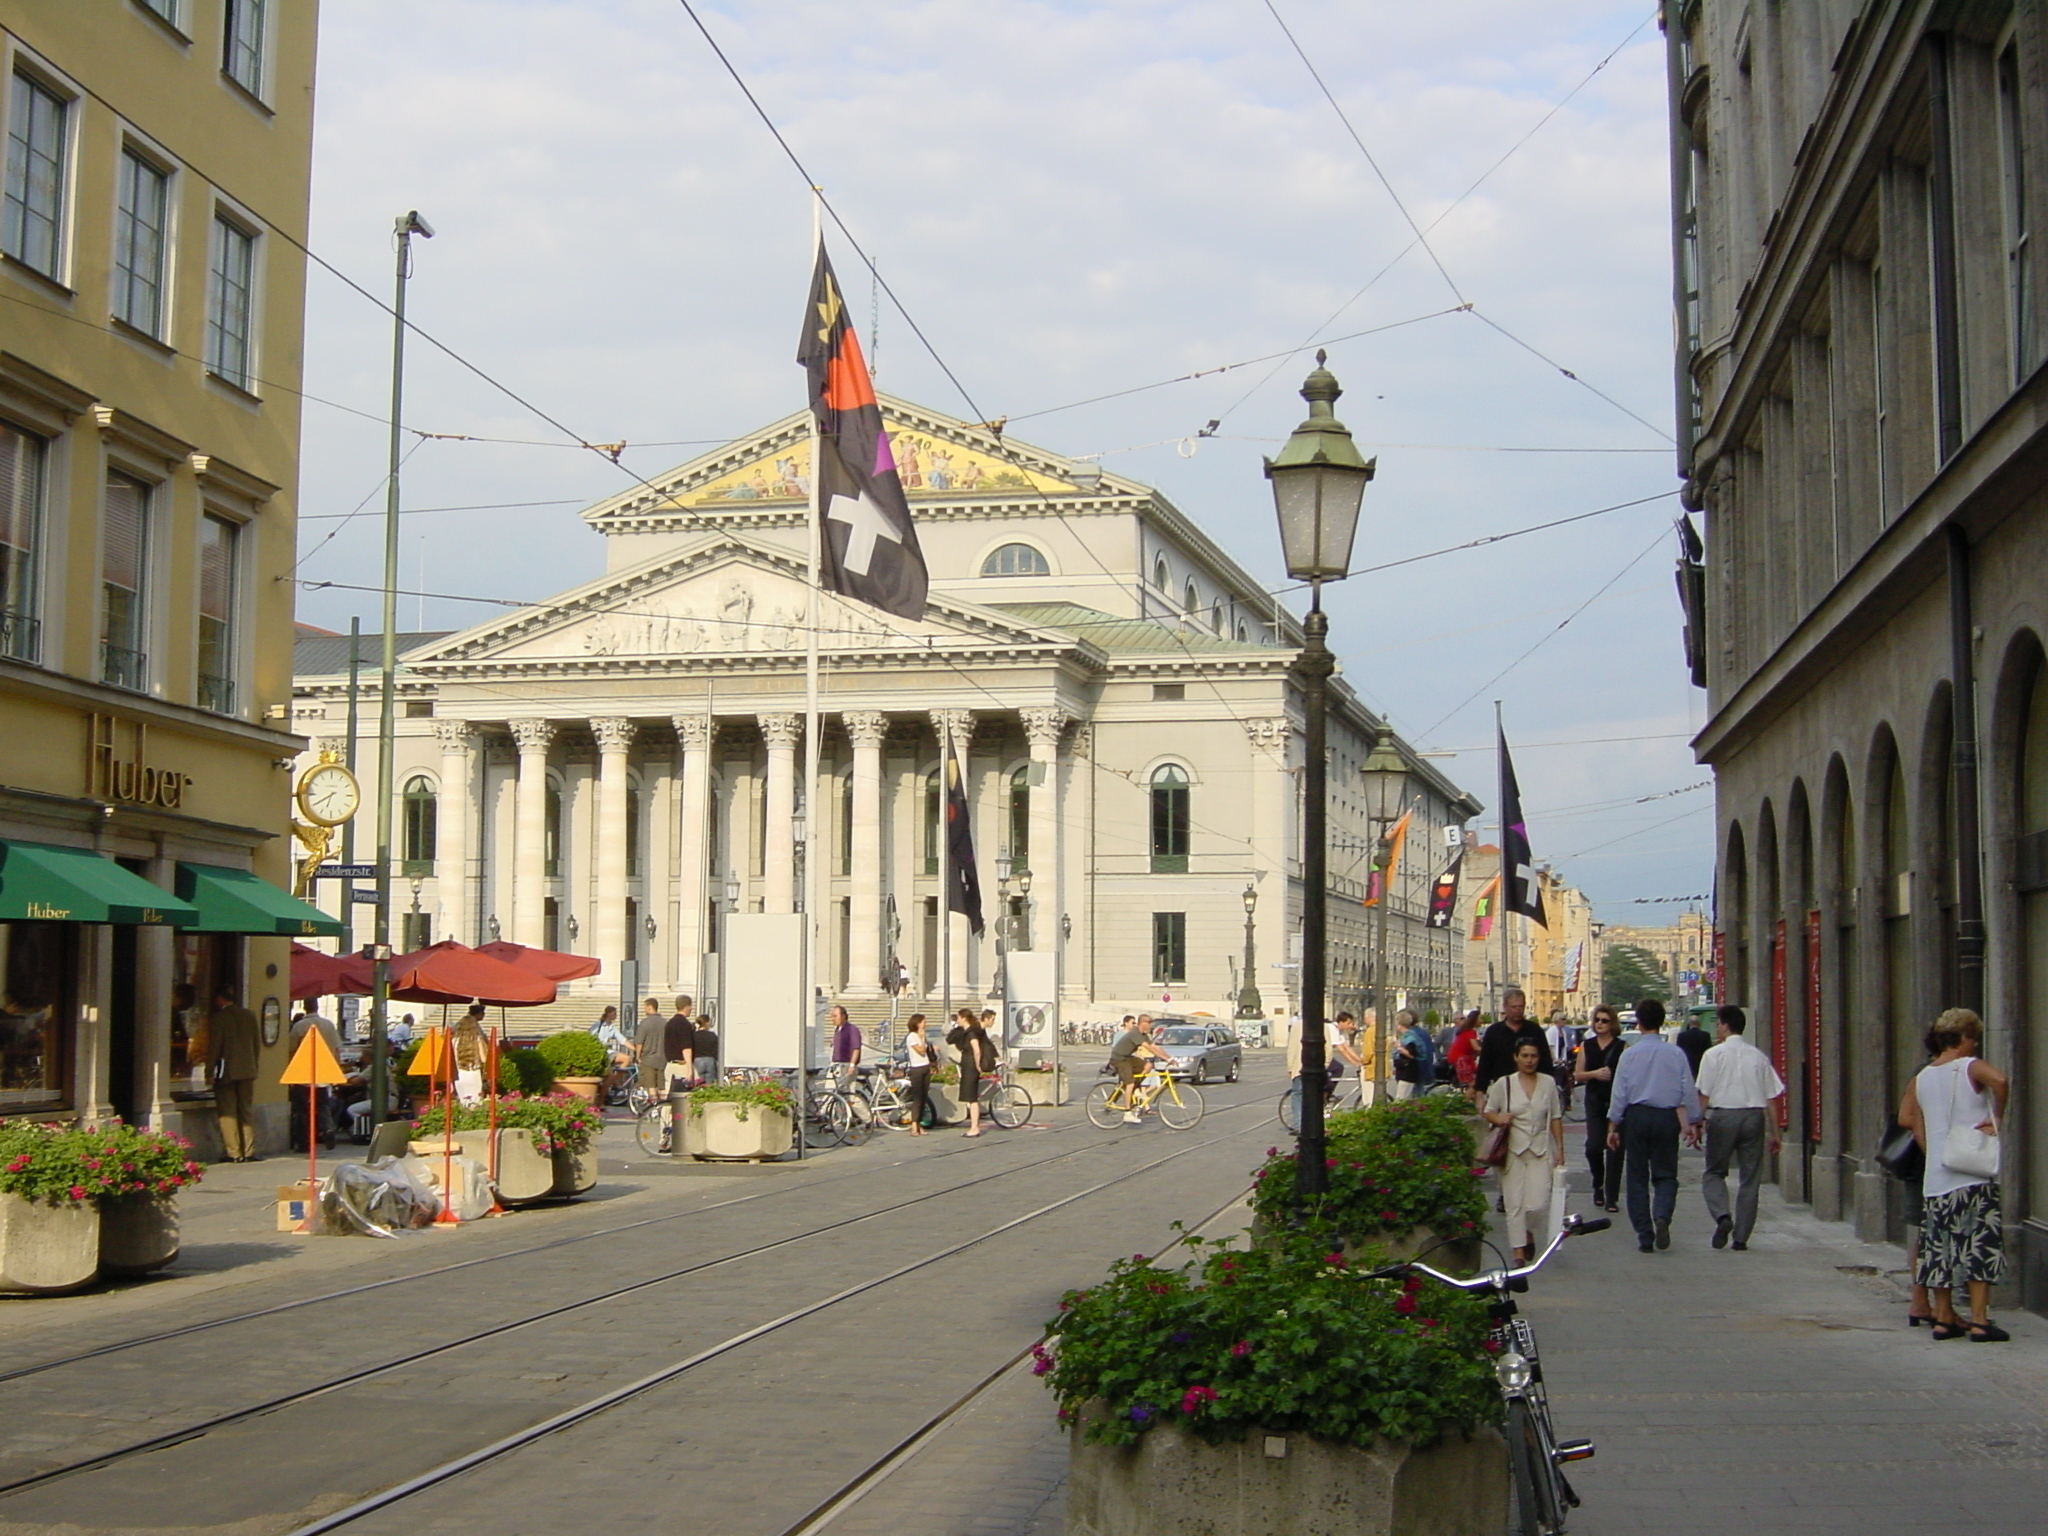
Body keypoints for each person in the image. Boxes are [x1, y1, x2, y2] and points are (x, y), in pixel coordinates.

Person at [1900, 1008, 2011, 1341]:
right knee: (1980, 1244)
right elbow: (2001, 1080)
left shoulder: (1922, 1077)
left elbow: (1912, 1121)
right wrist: (1997, 1117)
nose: (1974, 1045)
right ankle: (1979, 1320)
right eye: (1973, 1038)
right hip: (1970, 1174)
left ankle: (1943, 1318)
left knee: (1938, 1249)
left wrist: (1933, 1149)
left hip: (1936, 1177)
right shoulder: (1967, 1066)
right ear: (1964, 1038)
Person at [1605, 998, 1701, 1253]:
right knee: (1666, 1173)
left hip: (1636, 1117)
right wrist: (1693, 1121)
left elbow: (1619, 1093)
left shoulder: (1629, 1055)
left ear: (1639, 1022)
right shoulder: (1676, 1054)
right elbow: (1687, 1089)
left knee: (1636, 1176)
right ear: (1661, 1022)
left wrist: (1613, 1125)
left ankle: (1644, 1234)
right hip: (1666, 1118)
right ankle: (1662, 1215)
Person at [1694, 1004, 1785, 1251]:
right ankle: (1741, 1237)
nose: (1717, 1029)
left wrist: (1697, 1122)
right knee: (1750, 1177)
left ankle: (1722, 1216)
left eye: (1718, 1024)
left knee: (1714, 1172)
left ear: (1724, 1025)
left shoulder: (1713, 1055)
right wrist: (1775, 1133)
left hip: (1723, 1116)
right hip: (1754, 1117)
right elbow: (1771, 1098)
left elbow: (1703, 1094)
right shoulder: (1758, 1056)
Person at [1483, 1037, 1566, 1265]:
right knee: (1514, 1204)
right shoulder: (1504, 1084)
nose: (1529, 1061)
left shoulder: (1548, 1083)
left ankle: (1529, 1232)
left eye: (1534, 1056)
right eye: (1525, 1056)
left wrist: (1560, 1148)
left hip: (1540, 1149)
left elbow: (1556, 1117)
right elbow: (1488, 1111)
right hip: (1512, 1150)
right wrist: (1498, 1118)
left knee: (1537, 1204)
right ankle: (1518, 1252)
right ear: (1516, 1057)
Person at [1573, 1005, 1628, 1212]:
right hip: (1595, 1100)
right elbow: (1577, 1075)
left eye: (1604, 1020)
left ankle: (1611, 1198)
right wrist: (1595, 1074)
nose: (1600, 1024)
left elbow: (1627, 1075)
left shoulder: (1623, 1046)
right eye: (1597, 1020)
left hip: (1616, 1101)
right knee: (1594, 1147)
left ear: (1612, 1023)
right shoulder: (1587, 1045)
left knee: (1615, 1149)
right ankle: (1598, 1182)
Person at [209, 985, 262, 1162]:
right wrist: (254, 1065)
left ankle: (234, 1152)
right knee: (246, 1110)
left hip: (228, 1072)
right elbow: (256, 1044)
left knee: (228, 1112)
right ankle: (249, 1150)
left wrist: (209, 1070)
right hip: (248, 1069)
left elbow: (215, 1047)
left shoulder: (219, 1018)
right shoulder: (249, 1015)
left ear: (220, 999)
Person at [289, 998, 344, 1151]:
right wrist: (336, 1071)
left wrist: (291, 1072)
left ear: (304, 1007)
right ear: (317, 1006)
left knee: (303, 1109)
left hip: (304, 1072)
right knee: (323, 1105)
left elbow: (292, 1050)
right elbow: (337, 1050)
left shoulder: (299, 1026)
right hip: (324, 1072)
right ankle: (328, 1129)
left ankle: (305, 1142)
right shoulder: (328, 1025)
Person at [1475, 988, 1552, 1095]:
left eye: (1520, 1006)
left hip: (1532, 1088)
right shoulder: (1494, 1032)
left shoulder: (1534, 1030)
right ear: (1505, 1007)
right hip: (1502, 1088)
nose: (1517, 1010)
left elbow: (1545, 1060)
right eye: (1513, 1007)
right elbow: (1485, 1063)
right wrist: (1480, 1091)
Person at [1111, 1013, 1170, 1124]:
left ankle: (1136, 1088)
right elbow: (1148, 1048)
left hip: (1128, 1057)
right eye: (1149, 1022)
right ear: (1142, 1023)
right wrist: (1165, 1059)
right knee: (1129, 1084)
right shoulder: (1135, 1033)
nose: (1151, 1025)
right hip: (1119, 1059)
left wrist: (1170, 1058)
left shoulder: (1144, 1034)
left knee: (1148, 1065)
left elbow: (1154, 1046)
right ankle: (1127, 1113)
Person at [947, 1008, 996, 1137]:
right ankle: (974, 1126)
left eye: (958, 1017)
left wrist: (978, 1064)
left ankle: (974, 1127)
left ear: (964, 1018)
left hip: (970, 1065)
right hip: (969, 1064)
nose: (957, 1020)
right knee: (971, 1098)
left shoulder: (971, 1032)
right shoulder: (970, 1031)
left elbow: (977, 1050)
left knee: (972, 1098)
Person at [902, 1013, 935, 1135]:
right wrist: (921, 1039)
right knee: (917, 1098)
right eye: (923, 1022)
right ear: (917, 1023)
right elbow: (920, 1051)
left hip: (925, 1066)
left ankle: (919, 1123)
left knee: (924, 1097)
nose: (925, 1024)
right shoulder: (912, 1037)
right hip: (916, 1069)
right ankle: (914, 1125)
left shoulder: (921, 1036)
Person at [1390, 1009, 1434, 1100]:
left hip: (1410, 1070)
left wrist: (1399, 1047)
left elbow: (1412, 1054)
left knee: (1405, 1098)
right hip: (1421, 1068)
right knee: (1416, 1097)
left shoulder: (1410, 1036)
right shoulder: (1422, 1033)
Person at [1542, 1011, 1577, 1112]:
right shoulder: (1552, 1031)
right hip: (1554, 1062)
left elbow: (1565, 1046)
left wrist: (1564, 1059)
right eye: (1563, 1019)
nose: (1565, 1022)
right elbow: (1551, 1047)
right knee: (1558, 1082)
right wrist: (1555, 1059)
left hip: (1562, 1060)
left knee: (1566, 1082)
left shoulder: (1563, 1032)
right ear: (1557, 1020)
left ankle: (1566, 1104)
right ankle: (1556, 1103)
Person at [661, 995, 696, 1092]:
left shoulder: (669, 1023)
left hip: (670, 1065)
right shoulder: (684, 1024)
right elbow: (686, 1048)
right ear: (686, 1007)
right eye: (690, 1006)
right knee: (686, 1098)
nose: (692, 1009)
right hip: (682, 1066)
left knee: (669, 1097)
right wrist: (690, 1069)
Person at [1447, 1010, 1482, 1093]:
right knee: (1473, 1084)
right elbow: (1475, 1047)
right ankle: (1465, 1102)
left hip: (1457, 1057)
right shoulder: (1471, 1031)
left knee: (1472, 1083)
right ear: (1475, 1020)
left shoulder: (1466, 1030)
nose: (1482, 1021)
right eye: (1480, 1018)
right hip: (1461, 1059)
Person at [634, 997, 666, 1091]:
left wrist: (637, 1056)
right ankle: (662, 1104)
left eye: (645, 1007)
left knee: (650, 1086)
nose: (644, 1009)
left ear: (649, 1007)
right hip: (662, 1059)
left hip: (648, 1059)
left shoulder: (644, 1023)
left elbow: (639, 1042)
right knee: (661, 1087)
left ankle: (653, 1104)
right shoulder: (664, 1022)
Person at [829, 1004, 862, 1087]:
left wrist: (852, 1065)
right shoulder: (837, 1029)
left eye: (835, 1016)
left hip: (846, 1065)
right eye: (832, 1016)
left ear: (843, 1016)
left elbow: (856, 1048)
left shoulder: (852, 1029)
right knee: (831, 1090)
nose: (832, 1019)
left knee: (845, 1091)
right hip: (836, 1065)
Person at [1674, 1008, 1713, 1077]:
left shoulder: (1682, 1036)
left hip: (1687, 1065)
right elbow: (1708, 1050)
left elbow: (1679, 1052)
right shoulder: (1705, 1035)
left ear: (1689, 1024)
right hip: (1700, 1065)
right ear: (1699, 1023)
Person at [691, 1013, 720, 1084]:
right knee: (710, 1083)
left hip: (698, 1060)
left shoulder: (694, 1035)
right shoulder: (712, 1035)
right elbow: (716, 1049)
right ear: (706, 1022)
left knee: (698, 1082)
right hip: (710, 1060)